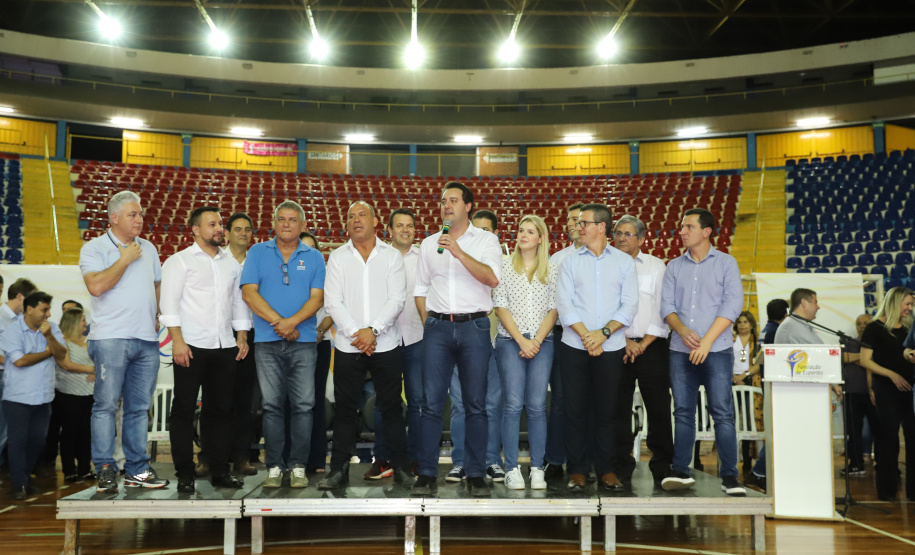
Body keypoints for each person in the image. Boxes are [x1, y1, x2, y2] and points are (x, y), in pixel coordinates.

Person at [411, 182, 502, 497]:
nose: (445, 205)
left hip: (474, 327)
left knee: (476, 404)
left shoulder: (486, 240)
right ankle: (426, 473)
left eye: (452, 200)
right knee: (430, 404)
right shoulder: (428, 244)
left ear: (468, 206)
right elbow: (420, 289)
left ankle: (476, 474)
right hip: (437, 327)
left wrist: (458, 252)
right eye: (442, 201)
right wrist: (430, 324)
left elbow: (492, 278)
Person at [318, 201, 412, 489]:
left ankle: (401, 468)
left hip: (385, 345)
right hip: (349, 347)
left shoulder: (392, 256)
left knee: (392, 409)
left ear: (375, 221)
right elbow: (333, 301)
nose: (356, 220)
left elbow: (397, 299)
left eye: (362, 215)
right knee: (346, 411)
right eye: (350, 216)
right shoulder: (337, 257)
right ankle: (338, 470)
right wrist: (357, 334)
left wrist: (372, 331)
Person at [80, 190, 169, 492]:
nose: (140, 220)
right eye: (133, 214)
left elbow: (157, 285)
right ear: (114, 217)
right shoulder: (94, 248)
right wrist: (125, 258)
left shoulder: (150, 248)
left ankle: (137, 469)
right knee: (105, 405)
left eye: (141, 214)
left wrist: (158, 314)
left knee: (138, 408)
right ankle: (105, 467)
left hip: (146, 339)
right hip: (110, 339)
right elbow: (96, 286)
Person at [161, 207, 252, 493]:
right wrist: (177, 340)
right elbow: (169, 304)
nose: (219, 229)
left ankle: (220, 471)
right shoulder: (179, 261)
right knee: (184, 410)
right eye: (212, 224)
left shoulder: (231, 264)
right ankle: (185, 472)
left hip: (225, 346)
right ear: (195, 230)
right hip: (190, 346)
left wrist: (242, 336)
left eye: (220, 224)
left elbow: (239, 302)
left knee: (221, 411)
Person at [240, 200, 325, 488]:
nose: (287, 224)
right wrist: (281, 323)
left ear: (302, 226)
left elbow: (317, 299)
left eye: (293, 220)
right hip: (266, 342)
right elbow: (249, 294)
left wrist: (292, 324)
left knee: (303, 405)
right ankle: (275, 465)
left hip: (303, 343)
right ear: (274, 223)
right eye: (282, 219)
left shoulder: (314, 257)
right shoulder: (256, 252)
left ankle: (298, 465)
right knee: (272, 405)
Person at [660, 208, 745, 496]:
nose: (681, 231)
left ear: (706, 231)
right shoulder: (673, 266)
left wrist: (707, 341)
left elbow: (732, 306)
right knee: (683, 412)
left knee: (722, 412)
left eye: (688, 226)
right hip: (679, 350)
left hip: (718, 350)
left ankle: (730, 476)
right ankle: (680, 470)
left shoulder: (726, 263)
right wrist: (682, 331)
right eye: (682, 226)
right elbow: (667, 308)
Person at [556, 203, 638, 492]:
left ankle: (606, 469)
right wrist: (587, 336)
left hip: (611, 346)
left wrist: (602, 334)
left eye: (585, 223)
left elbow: (629, 305)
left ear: (602, 227)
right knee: (575, 409)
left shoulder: (624, 262)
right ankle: (577, 469)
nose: (579, 227)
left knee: (607, 411)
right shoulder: (569, 261)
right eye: (578, 223)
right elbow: (565, 305)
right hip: (574, 346)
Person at [492, 215, 558, 490]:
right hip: (510, 341)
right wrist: (522, 341)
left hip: (542, 343)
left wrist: (536, 341)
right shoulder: (505, 266)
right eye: (521, 230)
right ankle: (511, 468)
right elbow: (499, 305)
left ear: (540, 239)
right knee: (512, 404)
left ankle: (538, 468)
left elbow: (554, 308)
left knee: (536, 406)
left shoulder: (551, 269)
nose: (523, 234)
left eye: (530, 231)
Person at [611, 215, 673, 484]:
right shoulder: (606, 266)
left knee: (658, 408)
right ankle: (620, 467)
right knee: (617, 409)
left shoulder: (656, 266)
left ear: (642, 239)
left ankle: (662, 468)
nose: (622, 238)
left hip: (652, 345)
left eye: (628, 234)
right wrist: (625, 340)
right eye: (618, 233)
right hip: (617, 344)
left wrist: (643, 343)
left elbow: (664, 308)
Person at [445, 209, 505, 483]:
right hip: (461, 341)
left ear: (494, 234)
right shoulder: (455, 259)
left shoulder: (502, 264)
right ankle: (460, 462)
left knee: (490, 405)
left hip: (492, 343)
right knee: (460, 404)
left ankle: (491, 461)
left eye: (483, 230)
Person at [364, 208, 424, 479]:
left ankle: (412, 459)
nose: (405, 230)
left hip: (416, 339)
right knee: (384, 403)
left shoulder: (425, 258)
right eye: (399, 225)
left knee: (417, 402)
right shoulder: (378, 258)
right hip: (383, 340)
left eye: (409, 225)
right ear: (389, 230)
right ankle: (383, 458)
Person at [1, 291, 67, 499]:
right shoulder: (12, 331)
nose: (48, 314)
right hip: (17, 396)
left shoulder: (52, 329)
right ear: (29, 309)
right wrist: (49, 352)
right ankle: (19, 483)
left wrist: (48, 337)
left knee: (37, 441)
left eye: (49, 310)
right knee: (17, 441)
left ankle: (25, 479)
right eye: (44, 309)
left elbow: (63, 354)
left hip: (44, 395)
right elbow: (19, 361)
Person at [543, 202, 583, 480]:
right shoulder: (558, 259)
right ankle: (555, 460)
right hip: (561, 336)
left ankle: (585, 459)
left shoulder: (608, 259)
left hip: (596, 338)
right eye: (569, 219)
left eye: (577, 220)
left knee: (588, 401)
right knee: (559, 400)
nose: (571, 224)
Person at [864, 287, 915, 501]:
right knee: (888, 440)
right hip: (887, 390)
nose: (910, 308)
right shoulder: (874, 328)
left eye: (912, 304)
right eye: (907, 304)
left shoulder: (909, 328)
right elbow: (866, 360)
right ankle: (887, 491)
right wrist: (891, 375)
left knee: (913, 440)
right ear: (895, 303)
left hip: (910, 390)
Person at [225, 212, 260, 476]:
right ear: (227, 233)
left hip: (251, 336)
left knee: (245, 400)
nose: (243, 233)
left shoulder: (257, 261)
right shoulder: (216, 260)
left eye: (247, 229)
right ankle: (210, 455)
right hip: (220, 335)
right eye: (237, 229)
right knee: (215, 400)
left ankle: (242, 456)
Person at [300, 230, 332, 475]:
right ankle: (294, 458)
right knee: (294, 403)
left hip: (320, 342)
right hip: (293, 342)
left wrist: (320, 330)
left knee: (316, 401)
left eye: (313, 247)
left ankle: (317, 459)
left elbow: (334, 306)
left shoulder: (328, 274)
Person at [0, 278, 39, 472]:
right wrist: (18, 361)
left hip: (16, 379)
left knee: (11, 429)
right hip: (3, 376)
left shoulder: (21, 321)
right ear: (20, 296)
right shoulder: (0, 316)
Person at [54, 308, 96, 483]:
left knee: (86, 433)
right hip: (68, 394)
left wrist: (96, 373)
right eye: (82, 320)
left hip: (89, 393)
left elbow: (99, 362)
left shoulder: (88, 342)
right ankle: (69, 469)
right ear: (72, 322)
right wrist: (91, 369)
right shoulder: (61, 341)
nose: (85, 324)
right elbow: (66, 365)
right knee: (69, 433)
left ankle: (85, 468)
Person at [841, 313, 877, 476]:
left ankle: (884, 464)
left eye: (866, 323)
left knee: (880, 430)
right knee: (853, 431)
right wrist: (865, 358)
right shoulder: (850, 341)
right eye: (859, 323)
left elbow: (879, 359)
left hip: (875, 393)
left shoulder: (879, 341)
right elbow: (844, 357)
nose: (862, 326)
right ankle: (856, 464)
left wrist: (858, 359)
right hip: (852, 392)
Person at [732, 311, 762, 476]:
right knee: (734, 420)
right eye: (740, 322)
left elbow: (759, 362)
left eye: (746, 322)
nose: (742, 325)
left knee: (750, 421)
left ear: (751, 324)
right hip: (731, 381)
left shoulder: (757, 341)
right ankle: (733, 460)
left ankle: (749, 461)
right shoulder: (730, 340)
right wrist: (734, 378)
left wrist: (745, 376)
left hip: (751, 381)